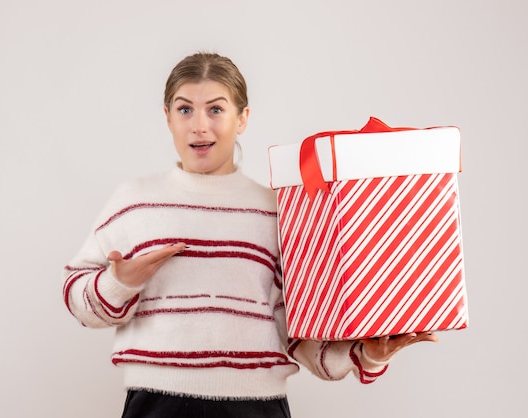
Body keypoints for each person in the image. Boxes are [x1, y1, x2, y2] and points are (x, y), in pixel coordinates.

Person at [62, 51, 437, 418]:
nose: (199, 125)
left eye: (216, 109)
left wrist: (367, 353)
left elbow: (300, 330)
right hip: (157, 404)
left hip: (253, 407)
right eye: (184, 109)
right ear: (167, 117)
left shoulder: (277, 210)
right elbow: (77, 293)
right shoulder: (135, 202)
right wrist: (117, 283)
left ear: (242, 118)